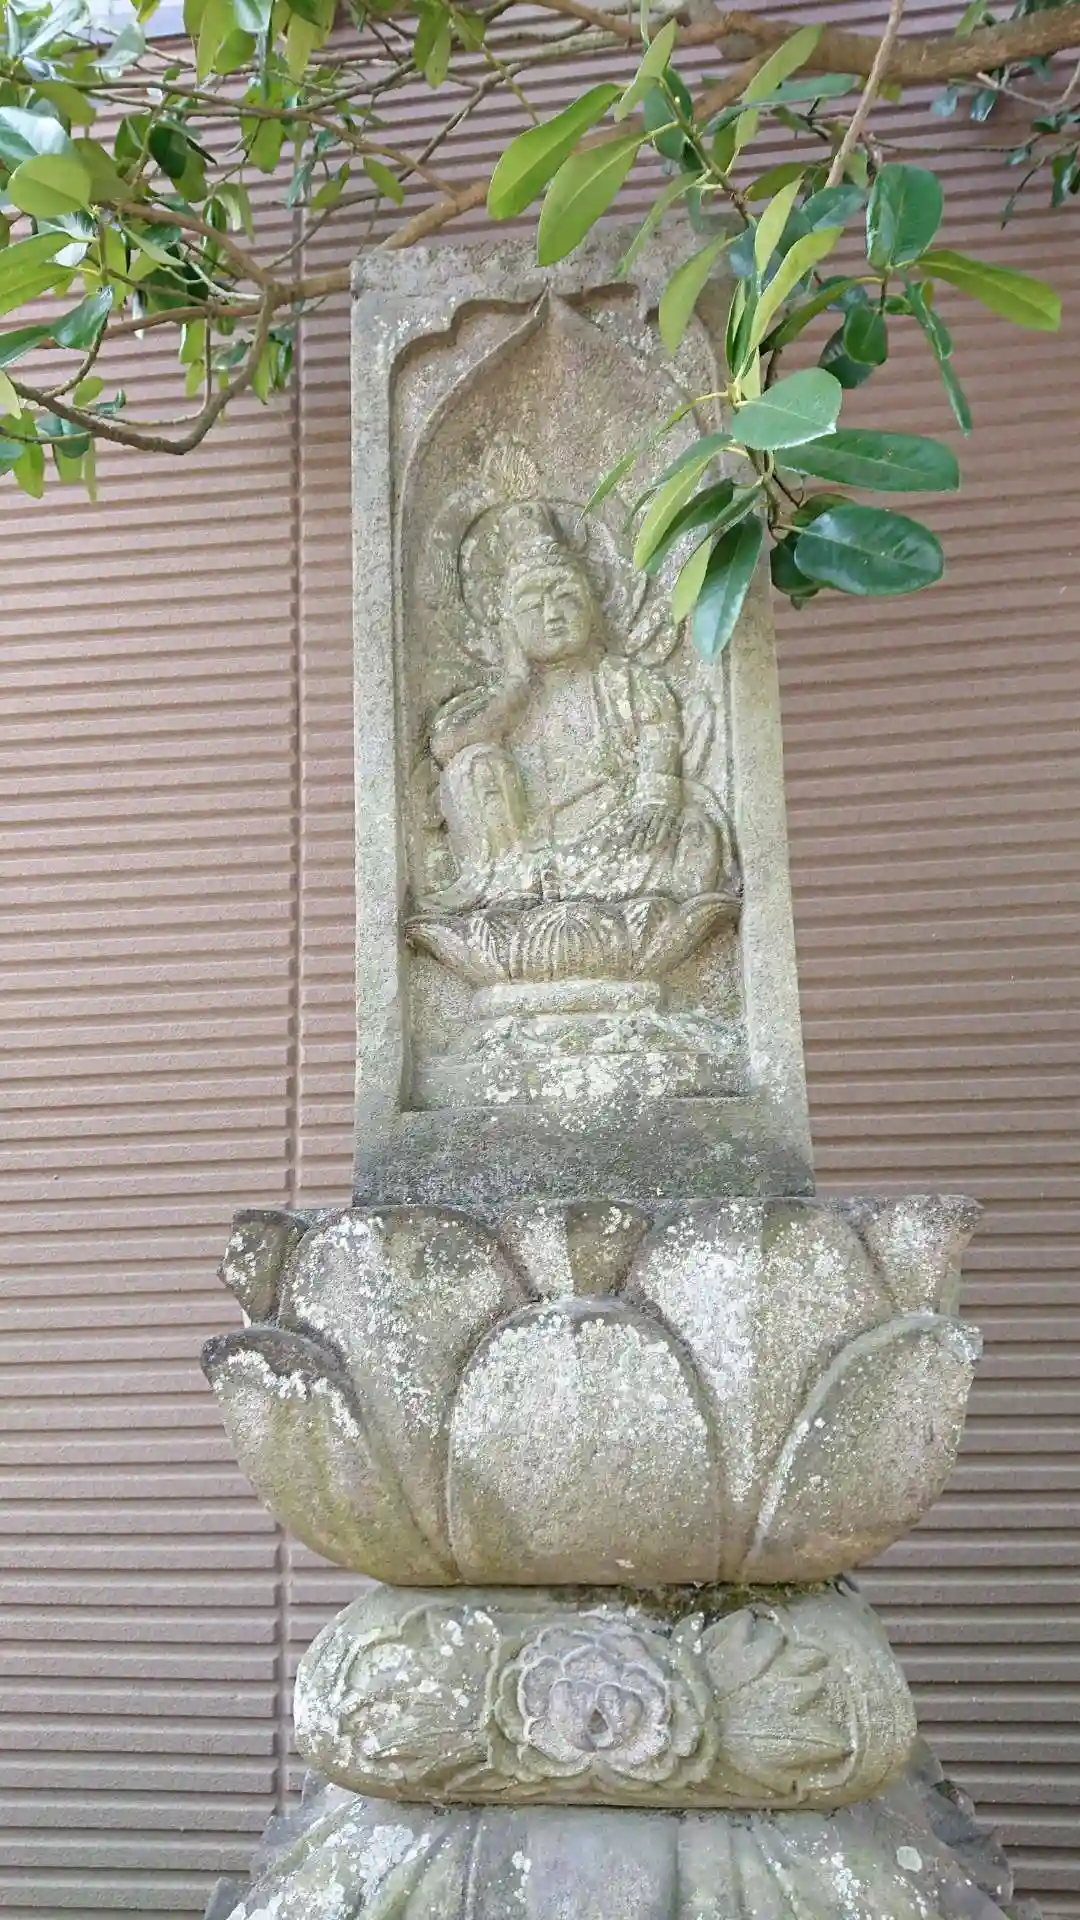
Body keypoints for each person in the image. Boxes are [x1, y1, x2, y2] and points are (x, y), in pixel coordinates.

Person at [420, 500, 725, 914]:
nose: (552, 615)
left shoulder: (619, 681)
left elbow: (658, 733)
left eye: (567, 598)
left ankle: (561, 892)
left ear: (594, 608)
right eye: (532, 605)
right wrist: (514, 686)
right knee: (471, 766)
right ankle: (517, 887)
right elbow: (446, 750)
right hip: (522, 858)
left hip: (613, 839)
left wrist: (656, 797)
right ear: (507, 624)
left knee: (694, 834)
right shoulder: (498, 703)